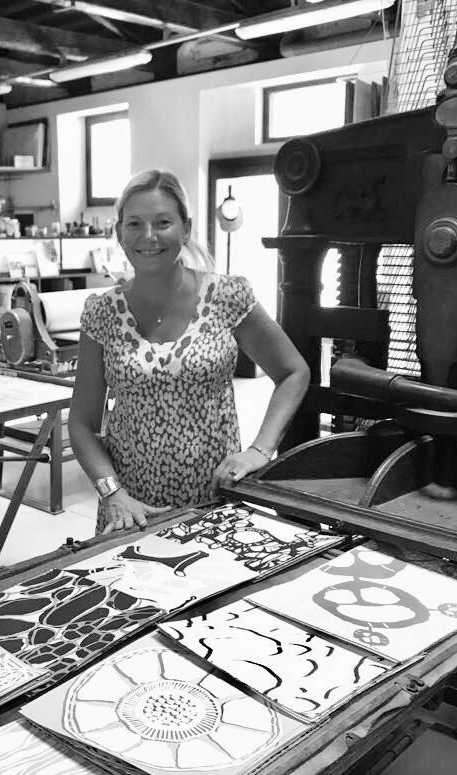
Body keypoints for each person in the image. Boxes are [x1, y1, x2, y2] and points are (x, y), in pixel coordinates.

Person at [68, 169, 311, 534]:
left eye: (162, 222)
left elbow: (294, 372)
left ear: (186, 228)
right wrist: (111, 492)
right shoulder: (102, 312)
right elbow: (82, 423)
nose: (148, 236)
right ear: (119, 233)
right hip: (131, 509)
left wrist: (260, 451)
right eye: (134, 224)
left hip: (213, 502)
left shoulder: (227, 297)